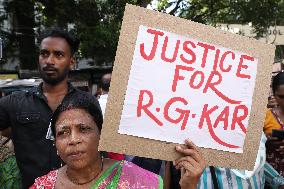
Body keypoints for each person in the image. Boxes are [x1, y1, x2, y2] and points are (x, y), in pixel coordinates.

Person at [30, 96, 206, 188]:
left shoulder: (139, 181)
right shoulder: (42, 186)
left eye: (83, 129)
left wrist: (188, 187)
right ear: (55, 144)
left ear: (101, 135)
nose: (73, 140)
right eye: (63, 133)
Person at [0, 27, 100, 188]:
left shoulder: (87, 103)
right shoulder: (14, 103)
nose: (49, 61)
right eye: (44, 54)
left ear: (72, 62)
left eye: (58, 54)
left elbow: (100, 150)